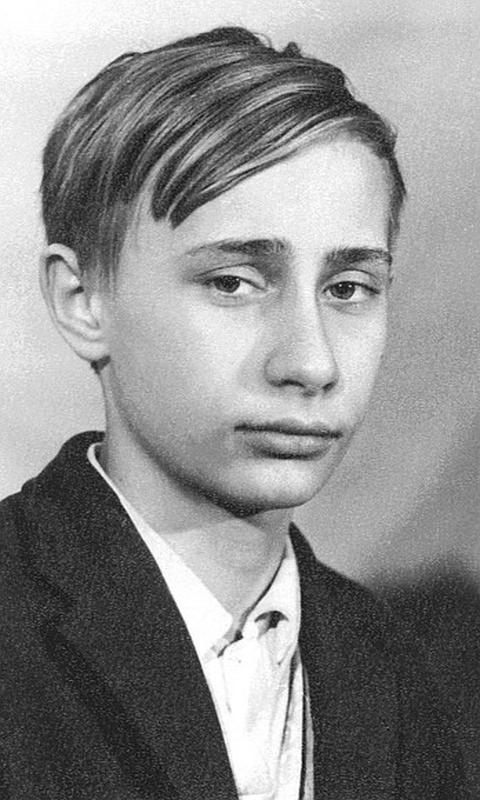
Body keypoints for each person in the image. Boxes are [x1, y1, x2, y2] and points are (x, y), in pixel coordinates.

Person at [0, 26, 466, 800]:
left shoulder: (397, 675)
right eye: (233, 283)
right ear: (83, 300)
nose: (311, 363)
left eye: (348, 288)